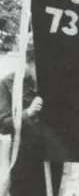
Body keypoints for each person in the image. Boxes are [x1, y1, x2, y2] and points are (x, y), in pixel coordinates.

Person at [0, 43, 63, 196]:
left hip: (52, 156)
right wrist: (28, 113)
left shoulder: (57, 83)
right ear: (28, 63)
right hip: (24, 157)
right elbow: (3, 124)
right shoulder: (9, 83)